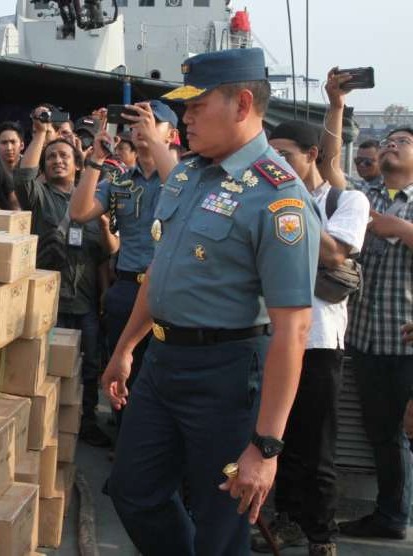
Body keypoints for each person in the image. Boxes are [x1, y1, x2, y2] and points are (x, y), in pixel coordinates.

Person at [102, 48, 321, 555]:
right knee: (132, 491)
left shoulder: (279, 198)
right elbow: (160, 273)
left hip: (227, 375)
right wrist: (125, 348)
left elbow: (294, 329)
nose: (186, 117)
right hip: (163, 363)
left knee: (220, 525)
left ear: (242, 103)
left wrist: (266, 447)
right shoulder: (187, 174)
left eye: (198, 105)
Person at [252, 120, 369, 556]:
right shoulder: (267, 199)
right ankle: (286, 521)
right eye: (272, 155)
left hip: (319, 342)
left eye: (286, 155)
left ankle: (322, 534)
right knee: (273, 442)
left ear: (312, 155)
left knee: (317, 447)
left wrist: (289, 195)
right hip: (271, 336)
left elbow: (335, 252)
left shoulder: (347, 200)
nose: (277, 164)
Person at [324, 69, 413, 541]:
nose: (391, 146)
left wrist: (405, 232)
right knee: (380, 434)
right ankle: (390, 511)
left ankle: (395, 517)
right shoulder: (367, 196)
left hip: (405, 342)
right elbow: (332, 169)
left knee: (398, 435)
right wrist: (336, 105)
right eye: (388, 141)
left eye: (402, 140)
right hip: (364, 339)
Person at [69, 99, 179, 433]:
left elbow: (181, 191)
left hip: (170, 293)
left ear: (171, 134)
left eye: (150, 121)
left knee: (164, 377)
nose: (139, 127)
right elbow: (79, 212)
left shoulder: (185, 174)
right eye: (134, 121)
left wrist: (157, 146)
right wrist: (96, 161)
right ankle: (125, 442)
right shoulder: (119, 180)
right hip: (128, 286)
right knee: (121, 373)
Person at [15, 104, 119, 447]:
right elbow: (23, 177)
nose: (57, 161)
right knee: (47, 365)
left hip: (86, 300)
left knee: (89, 365)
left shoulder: (97, 200)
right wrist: (41, 135)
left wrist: (105, 295)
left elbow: (105, 256)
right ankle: (48, 421)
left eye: (64, 156)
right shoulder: (41, 198)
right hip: (52, 300)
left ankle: (85, 421)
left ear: (78, 164)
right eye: (51, 158)